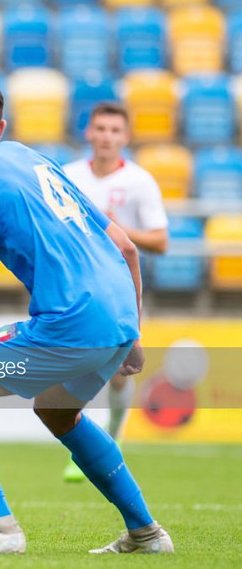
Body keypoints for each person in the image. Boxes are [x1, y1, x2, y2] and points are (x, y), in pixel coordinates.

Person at [0, 80, 173, 555]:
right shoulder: (37, 161)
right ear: (0, 127)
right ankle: (146, 533)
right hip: (119, 313)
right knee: (57, 409)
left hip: (72, 320)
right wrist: (133, 331)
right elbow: (125, 246)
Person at [61, 102, 169, 483]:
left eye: (114, 130)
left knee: (120, 374)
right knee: (74, 369)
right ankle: (87, 448)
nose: (106, 136)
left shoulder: (139, 181)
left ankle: (112, 434)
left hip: (121, 289)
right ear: (88, 133)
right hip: (73, 287)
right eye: (100, 129)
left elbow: (160, 240)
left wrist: (118, 230)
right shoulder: (69, 176)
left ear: (125, 137)